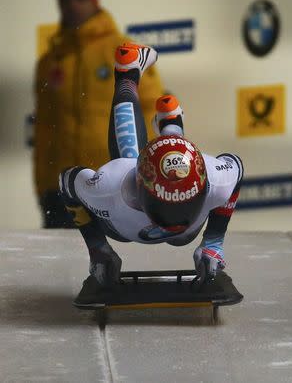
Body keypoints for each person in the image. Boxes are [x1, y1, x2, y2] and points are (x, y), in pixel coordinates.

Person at [59, 43, 244, 308]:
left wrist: (214, 241)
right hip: (126, 195)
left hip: (141, 210)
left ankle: (162, 112)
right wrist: (98, 248)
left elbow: (236, 168)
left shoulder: (216, 177)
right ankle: (132, 79)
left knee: (182, 237)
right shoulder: (110, 186)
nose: (171, 221)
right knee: (126, 194)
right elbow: (67, 181)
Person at [34, 0, 164, 228]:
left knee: (118, 261)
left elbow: (151, 110)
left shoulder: (122, 51)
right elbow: (44, 128)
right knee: (62, 264)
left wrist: (148, 174)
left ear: (94, 0)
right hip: (65, 188)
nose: (72, 5)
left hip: (116, 183)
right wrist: (45, 185)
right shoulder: (50, 61)